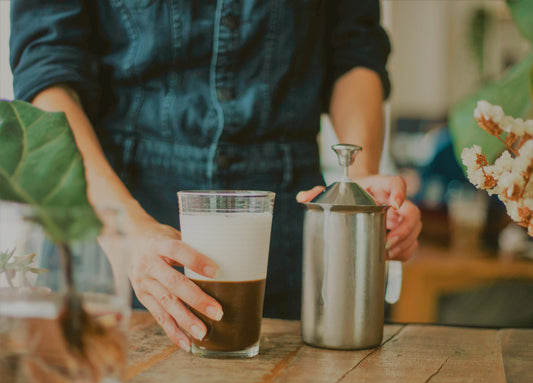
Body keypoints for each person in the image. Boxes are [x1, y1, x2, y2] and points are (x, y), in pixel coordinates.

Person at [10, 1, 421, 351]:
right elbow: (47, 71)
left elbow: (355, 51)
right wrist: (126, 233)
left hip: (287, 231)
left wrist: (359, 177)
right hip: (110, 214)